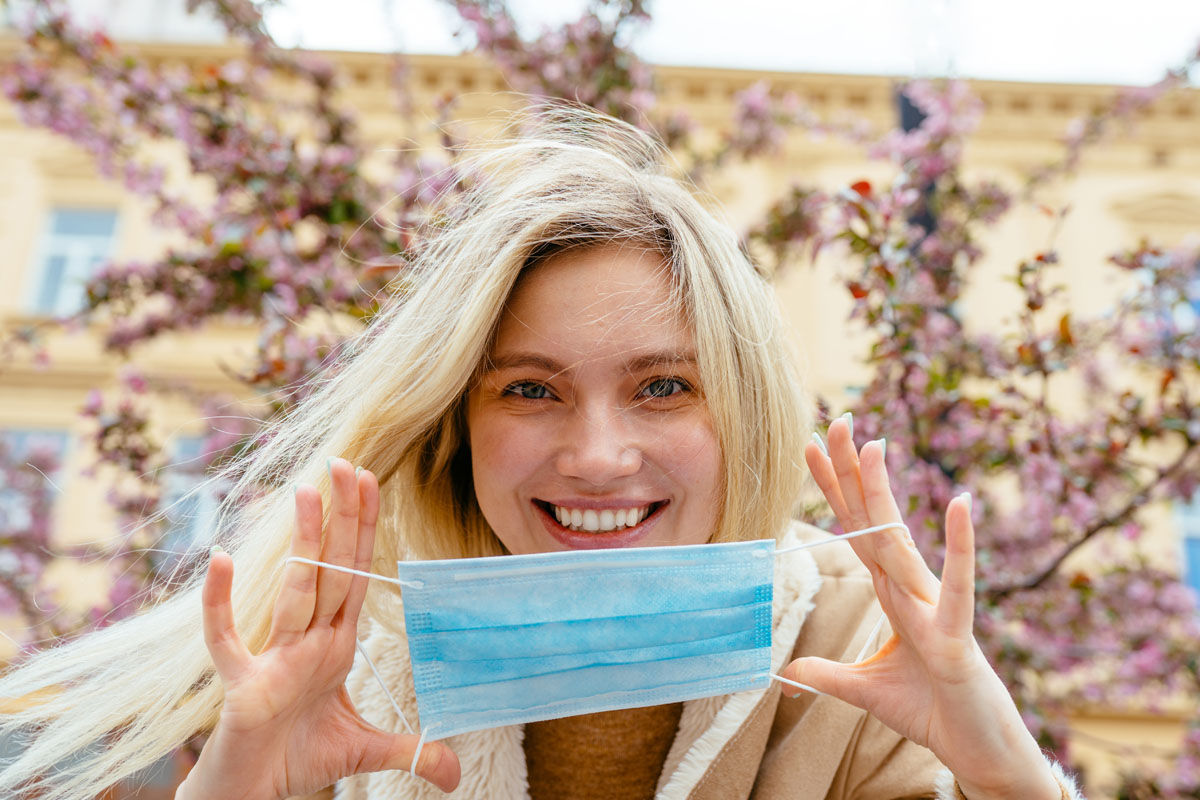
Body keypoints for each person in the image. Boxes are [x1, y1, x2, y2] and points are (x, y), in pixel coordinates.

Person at [0, 105, 1084, 800]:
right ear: (456, 425)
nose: (600, 454)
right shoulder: (326, 673)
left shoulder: (863, 656)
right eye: (532, 389)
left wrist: (1006, 769)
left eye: (664, 386)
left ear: (744, 412)